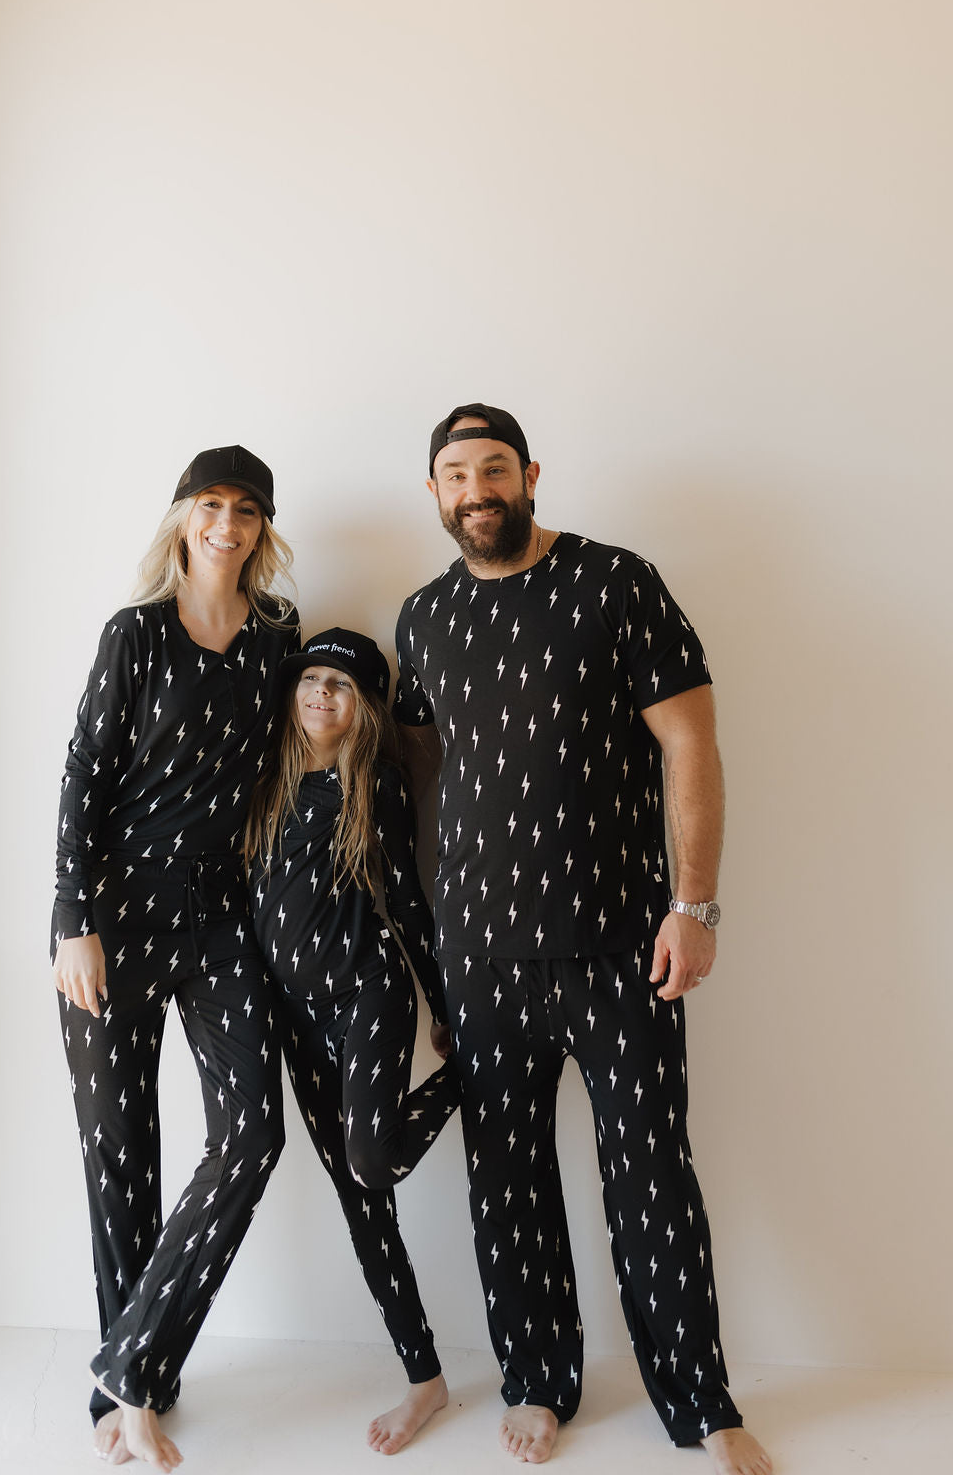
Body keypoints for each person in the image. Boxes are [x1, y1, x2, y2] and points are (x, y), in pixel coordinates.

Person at [393, 404, 772, 1474]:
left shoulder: (617, 583)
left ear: (530, 475)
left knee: (652, 1172)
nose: (478, 489)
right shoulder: (421, 619)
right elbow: (425, 777)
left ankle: (699, 1400)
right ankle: (536, 1381)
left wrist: (692, 905)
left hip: (619, 945)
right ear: (434, 492)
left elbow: (690, 742)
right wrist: (428, 938)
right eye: (456, 473)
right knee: (504, 1180)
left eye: (495, 468)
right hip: (480, 955)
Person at [51, 446, 299, 1472]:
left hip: (221, 912)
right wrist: (72, 922)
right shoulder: (136, 635)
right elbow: (83, 777)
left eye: (245, 510)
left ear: (261, 529)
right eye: (211, 505)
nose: (226, 524)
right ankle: (131, 1396)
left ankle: (130, 1365)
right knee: (122, 1150)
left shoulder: (279, 637)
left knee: (252, 1133)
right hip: (112, 913)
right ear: (183, 518)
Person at [245, 627, 459, 1456]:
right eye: (311, 678)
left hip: (367, 998)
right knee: (362, 1203)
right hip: (294, 1019)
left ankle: (467, 1077)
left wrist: (444, 1009)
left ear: (365, 704)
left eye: (340, 684)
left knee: (373, 1163)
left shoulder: (373, 786)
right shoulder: (264, 781)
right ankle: (425, 1377)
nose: (320, 694)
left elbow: (409, 903)